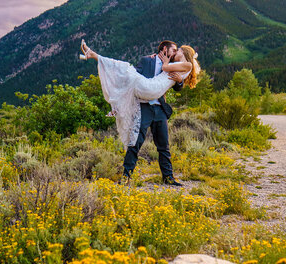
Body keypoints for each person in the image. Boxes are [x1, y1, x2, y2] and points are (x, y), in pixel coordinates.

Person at [79, 39, 200, 186]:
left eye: (177, 51)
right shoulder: (147, 60)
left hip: (159, 108)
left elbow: (178, 86)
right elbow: (133, 76)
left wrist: (180, 80)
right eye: (173, 50)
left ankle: (168, 178)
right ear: (164, 50)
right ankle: (126, 177)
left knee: (163, 145)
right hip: (145, 107)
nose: (175, 53)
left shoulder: (176, 65)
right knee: (135, 142)